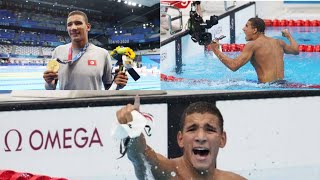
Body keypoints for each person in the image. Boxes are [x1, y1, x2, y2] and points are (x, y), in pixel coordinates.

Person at [116, 96, 246, 180]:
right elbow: (139, 156)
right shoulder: (166, 173)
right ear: (180, 139)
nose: (201, 137)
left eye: (210, 130)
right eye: (192, 129)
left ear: (222, 139)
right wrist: (132, 130)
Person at [43, 10, 128, 90]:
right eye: (69, 24)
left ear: (88, 27)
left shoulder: (102, 54)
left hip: (93, 105)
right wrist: (49, 82)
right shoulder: (58, 51)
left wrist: (117, 84)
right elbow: (51, 87)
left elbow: (108, 87)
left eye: (78, 23)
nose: (73, 28)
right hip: (66, 105)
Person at [209, 17, 299, 83]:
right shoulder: (278, 42)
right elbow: (296, 50)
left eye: (246, 26)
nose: (243, 29)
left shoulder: (252, 45)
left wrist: (215, 50)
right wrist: (288, 36)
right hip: (283, 84)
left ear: (254, 30)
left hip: (267, 88)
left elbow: (234, 66)